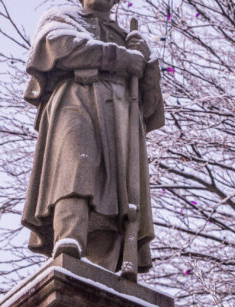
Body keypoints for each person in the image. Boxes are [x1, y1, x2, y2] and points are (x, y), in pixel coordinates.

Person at [20, 0, 164, 280]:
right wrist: (120, 58)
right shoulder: (62, 18)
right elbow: (61, 47)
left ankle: (104, 263)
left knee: (117, 190)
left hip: (121, 114)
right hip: (76, 99)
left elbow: (150, 107)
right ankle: (70, 236)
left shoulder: (129, 38)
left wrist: (148, 66)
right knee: (76, 165)